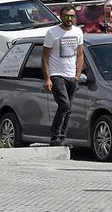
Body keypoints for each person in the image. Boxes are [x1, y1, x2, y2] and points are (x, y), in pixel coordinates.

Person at [41, 8, 84, 146]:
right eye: (66, 16)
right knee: (64, 105)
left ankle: (62, 139)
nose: (69, 19)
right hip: (56, 75)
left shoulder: (78, 31)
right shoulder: (52, 33)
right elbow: (45, 57)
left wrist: (77, 75)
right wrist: (47, 78)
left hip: (72, 76)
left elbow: (80, 55)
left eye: (72, 16)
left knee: (69, 108)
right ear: (61, 16)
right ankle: (55, 137)